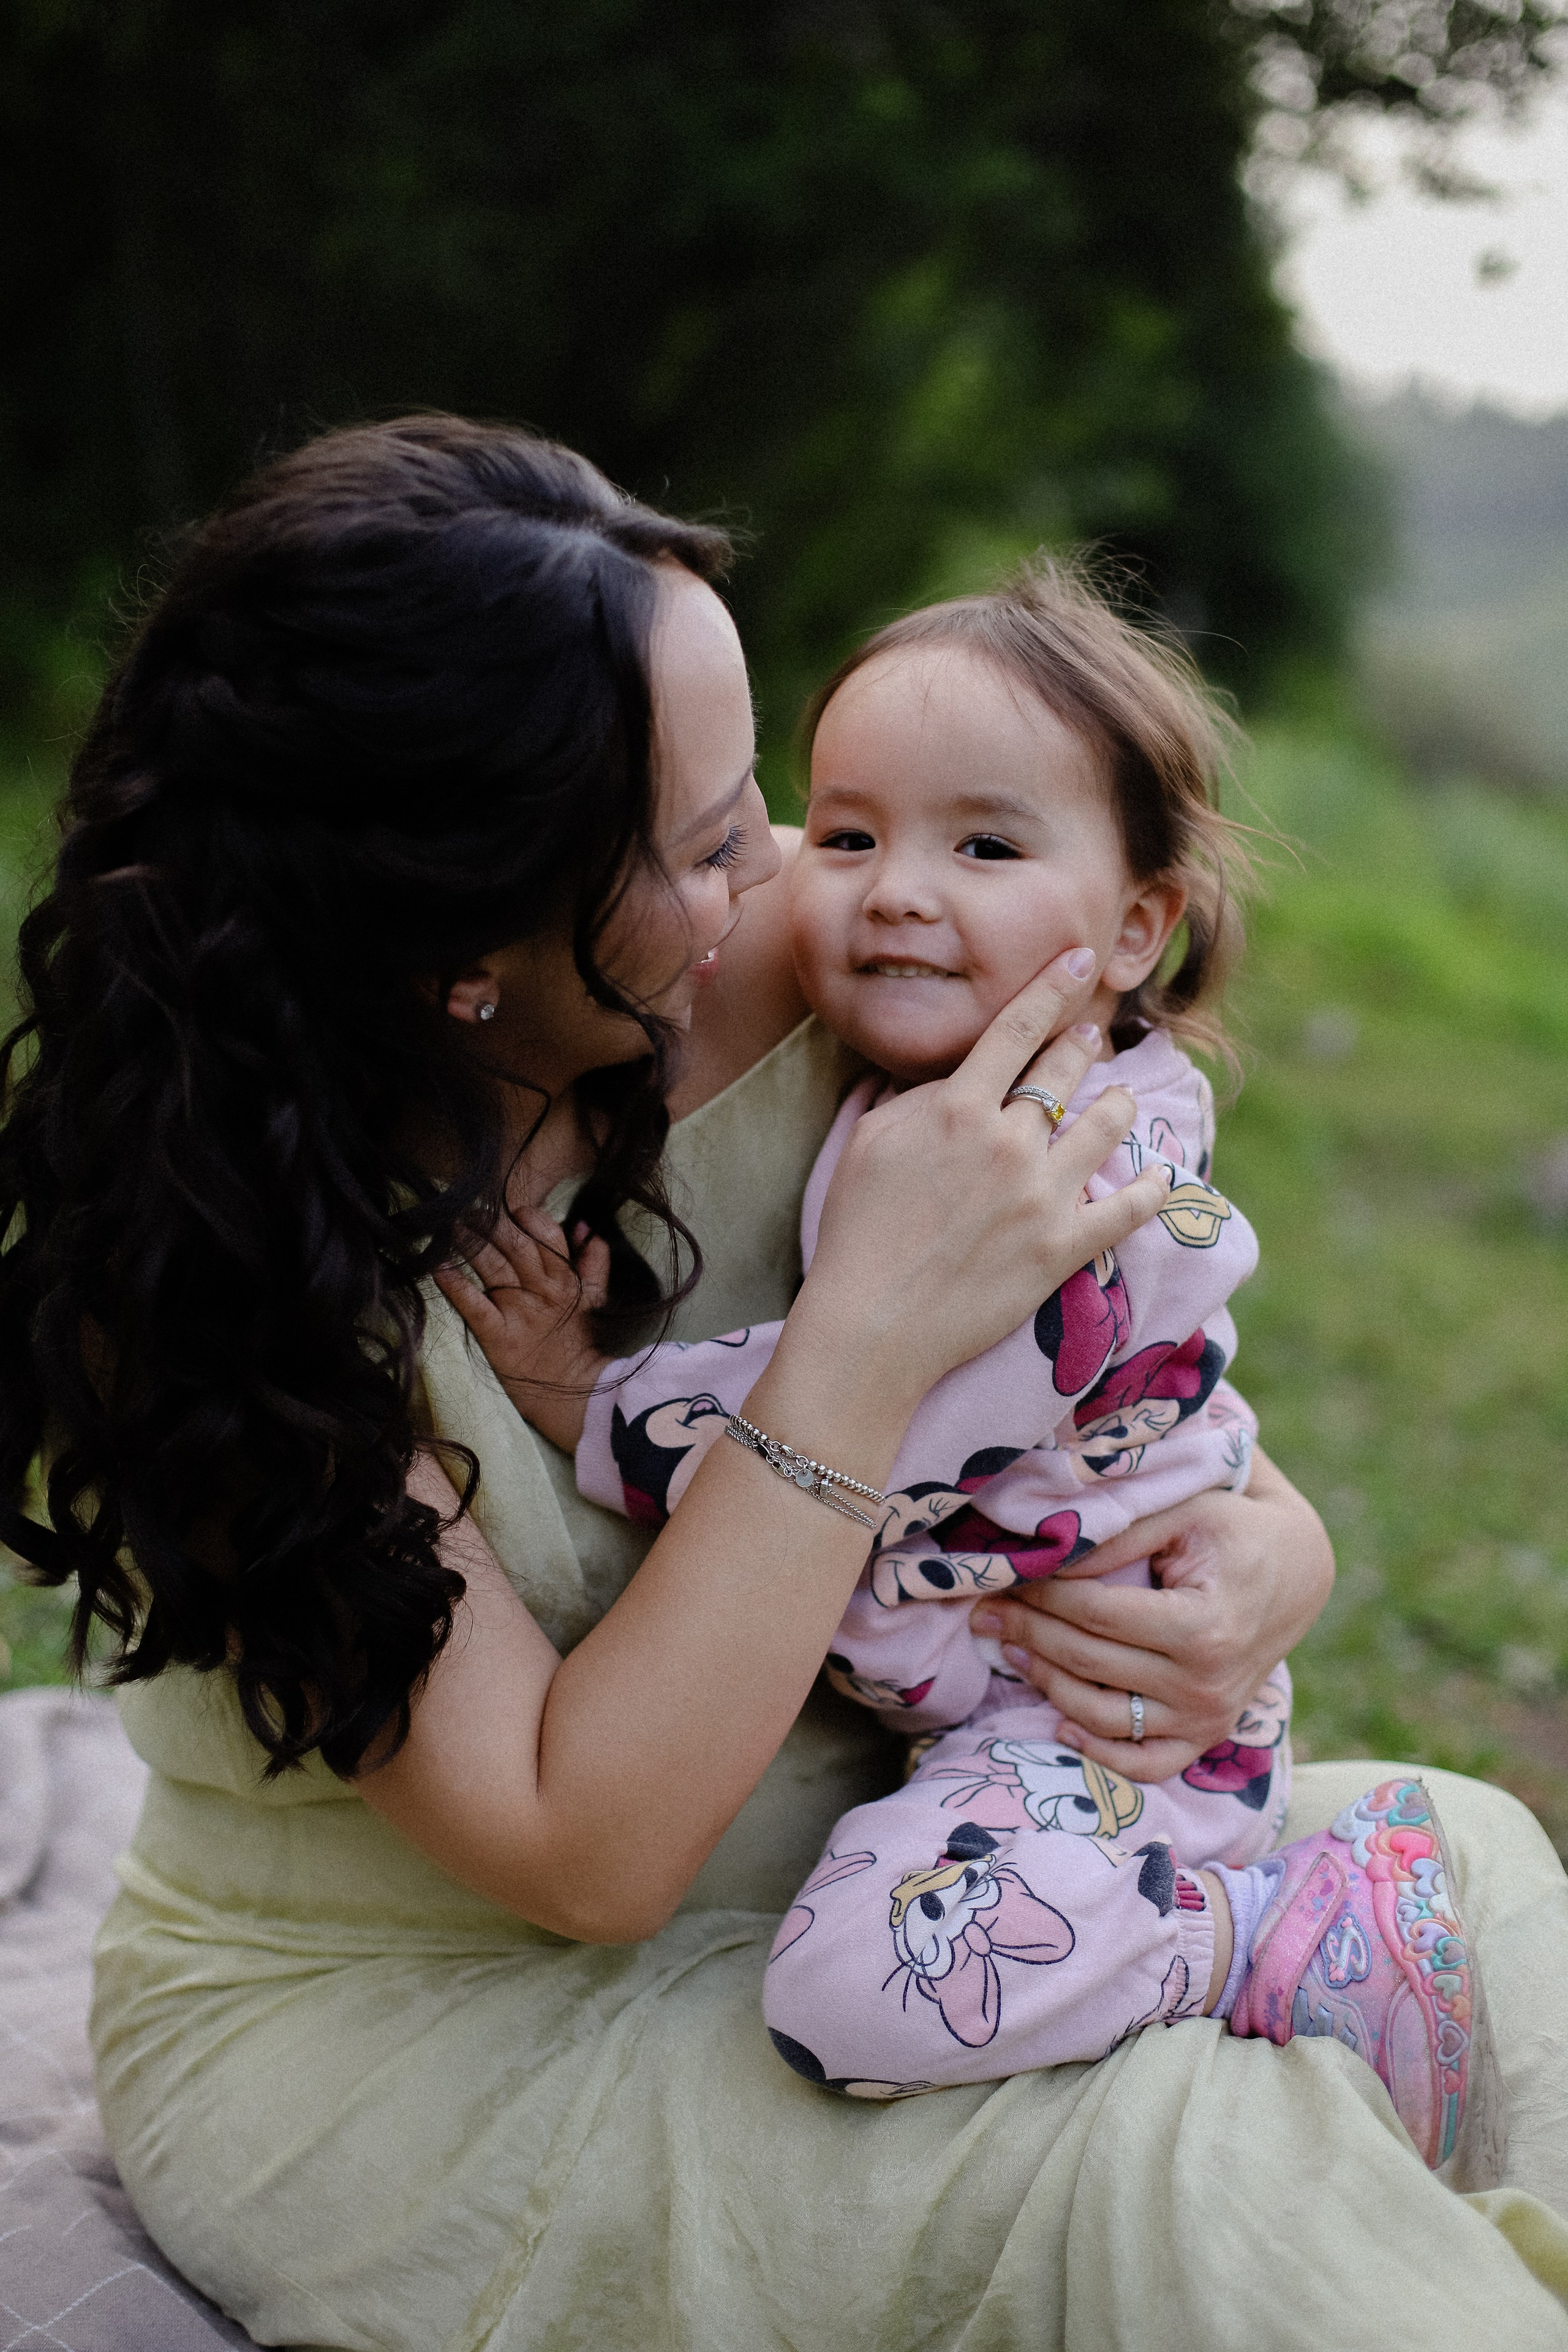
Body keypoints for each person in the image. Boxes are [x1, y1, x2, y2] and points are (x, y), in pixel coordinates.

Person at [0, 417, 1564, 2351]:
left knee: (1478, 1878)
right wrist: (862, 1337)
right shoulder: (226, 1280)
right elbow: (584, 1857)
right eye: (711, 843)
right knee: (1198, 2171)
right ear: (470, 939)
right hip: (446, 2026)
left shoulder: (804, 960)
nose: (792, 887)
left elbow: (1106, 1356)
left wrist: (1272, 1554)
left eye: (773, 812)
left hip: (894, 1844)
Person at [447, 564, 1487, 2176]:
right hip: (1008, 1709)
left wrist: (594, 1405)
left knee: (859, 1997)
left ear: (1135, 926)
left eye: (985, 849)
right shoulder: (932, 1089)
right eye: (848, 835)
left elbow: (895, 1409)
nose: (896, 893)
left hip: (1098, 1728)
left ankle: (1270, 1936)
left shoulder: (1091, 1161)